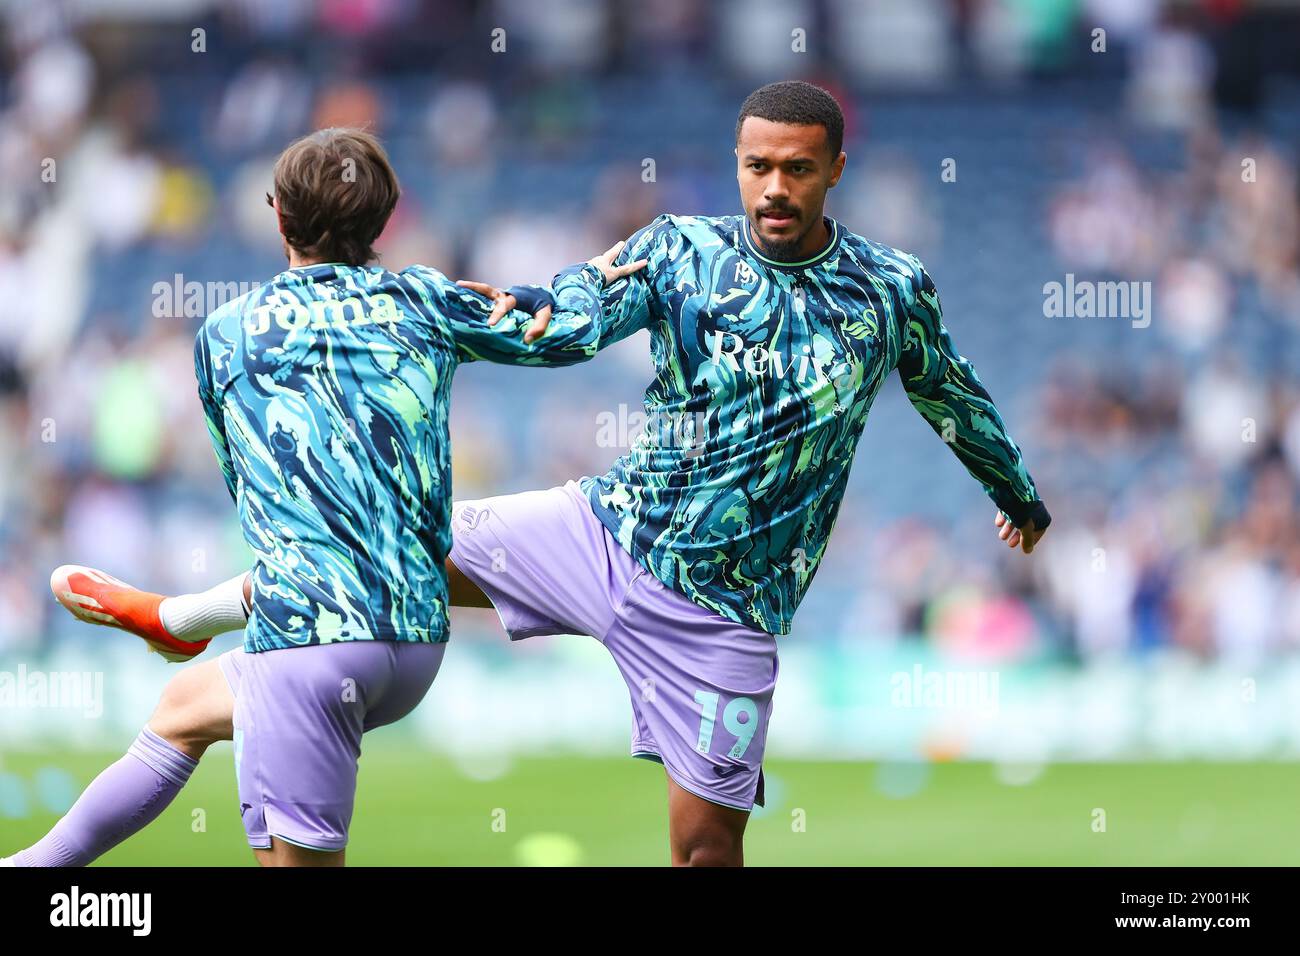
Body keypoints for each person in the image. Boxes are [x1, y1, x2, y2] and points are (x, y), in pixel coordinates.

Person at [15, 80, 1049, 868]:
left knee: (704, 853)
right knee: (385, 535)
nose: (772, 187)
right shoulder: (679, 252)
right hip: (601, 532)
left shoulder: (887, 290)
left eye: (796, 168)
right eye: (755, 166)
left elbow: (950, 393)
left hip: (725, 609)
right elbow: (565, 322)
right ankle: (184, 611)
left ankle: (183, 630)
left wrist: (1015, 494)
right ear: (738, 165)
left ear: (833, 169)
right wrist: (444, 304)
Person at [2, 126, 644, 868]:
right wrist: (594, 275)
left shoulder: (224, 333)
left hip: (309, 643)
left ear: (278, 217)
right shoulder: (427, 300)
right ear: (384, 221)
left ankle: (183, 618)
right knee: (184, 711)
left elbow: (246, 483)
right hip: (415, 637)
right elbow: (560, 332)